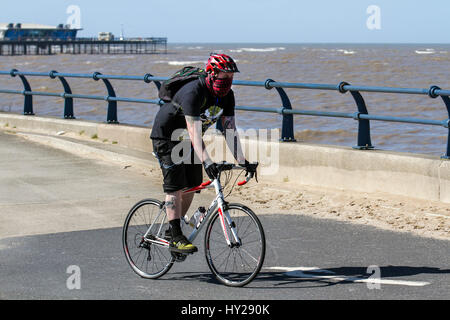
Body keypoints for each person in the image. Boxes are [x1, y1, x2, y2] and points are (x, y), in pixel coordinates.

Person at [150, 53, 257, 254]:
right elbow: (193, 131)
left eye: (231, 77)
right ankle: (175, 237)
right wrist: (208, 161)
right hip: (166, 137)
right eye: (224, 77)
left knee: (192, 185)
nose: (228, 82)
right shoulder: (193, 92)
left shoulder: (228, 96)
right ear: (212, 73)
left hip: (187, 141)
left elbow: (229, 129)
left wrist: (243, 161)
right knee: (175, 186)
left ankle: (174, 228)